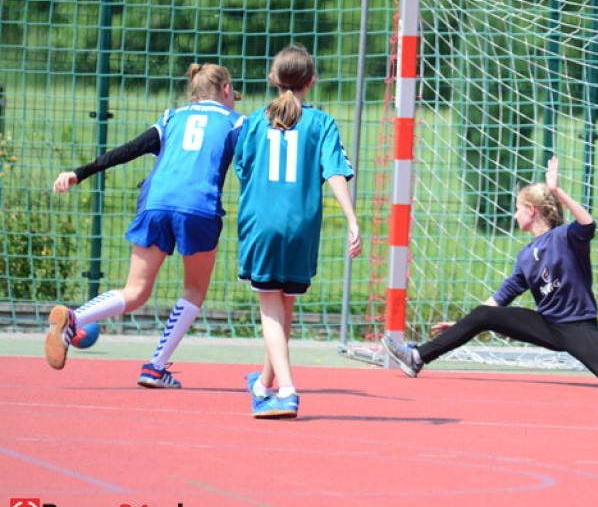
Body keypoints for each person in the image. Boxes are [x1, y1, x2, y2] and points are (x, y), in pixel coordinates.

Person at [382, 156, 598, 392]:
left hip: (577, 327)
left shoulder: (567, 237)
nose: (514, 214)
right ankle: (417, 358)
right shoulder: (524, 258)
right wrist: (465, 324)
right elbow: (499, 299)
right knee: (482, 314)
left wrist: (558, 190)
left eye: (517, 208)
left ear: (531, 210)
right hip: (547, 326)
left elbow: (589, 224)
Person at [46, 63, 244, 388]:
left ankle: (75, 318)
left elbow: (128, 150)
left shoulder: (171, 118)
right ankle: (155, 365)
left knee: (134, 291)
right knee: (194, 291)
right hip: (198, 207)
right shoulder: (237, 122)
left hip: (154, 203)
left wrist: (79, 172)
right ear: (225, 90)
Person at [236, 44, 362, 419]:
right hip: (302, 225)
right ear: (312, 80)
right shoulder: (321, 122)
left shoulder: (256, 121)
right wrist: (352, 219)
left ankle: (287, 390)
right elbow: (334, 172)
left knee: (270, 307)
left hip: (262, 221)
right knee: (284, 302)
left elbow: (243, 170)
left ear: (273, 79)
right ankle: (263, 383)